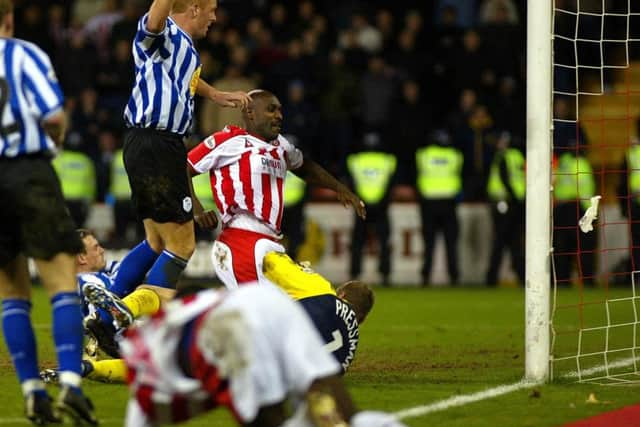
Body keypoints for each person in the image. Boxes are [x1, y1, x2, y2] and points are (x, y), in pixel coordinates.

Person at [0, 1, 98, 424]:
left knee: (11, 292)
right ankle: (72, 387)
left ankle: (31, 393)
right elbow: (54, 113)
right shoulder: (22, 53)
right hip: (29, 171)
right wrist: (53, 142)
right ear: (9, 18)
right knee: (60, 281)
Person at [119, 0, 251, 309]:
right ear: (193, 9)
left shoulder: (185, 50)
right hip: (158, 142)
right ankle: (124, 312)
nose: (215, 17)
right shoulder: (162, 33)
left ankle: (107, 303)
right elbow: (156, 16)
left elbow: (187, 77)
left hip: (150, 143)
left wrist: (215, 94)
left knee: (156, 242)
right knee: (183, 245)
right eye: (212, 9)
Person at [120, 285, 405, 427]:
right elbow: (322, 385)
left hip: (223, 324)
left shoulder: (146, 376)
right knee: (334, 412)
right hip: (253, 312)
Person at [188, 89, 365, 288]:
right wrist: (196, 209)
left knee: (285, 309)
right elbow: (182, 168)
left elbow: (304, 166)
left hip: (270, 241)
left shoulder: (281, 145)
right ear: (250, 113)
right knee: (262, 312)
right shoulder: (229, 140)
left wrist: (340, 188)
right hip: (241, 238)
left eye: (280, 111)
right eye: (271, 110)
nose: (279, 116)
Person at [346, 131, 397, 286]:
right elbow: (391, 184)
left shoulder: (355, 160)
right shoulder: (388, 160)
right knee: (384, 241)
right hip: (381, 206)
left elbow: (351, 183)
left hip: (362, 206)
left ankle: (354, 274)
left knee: (357, 242)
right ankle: (385, 276)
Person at [415, 129, 463, 286]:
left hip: (429, 203)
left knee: (429, 243)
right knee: (451, 242)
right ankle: (454, 277)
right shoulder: (455, 156)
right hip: (448, 202)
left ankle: (425, 276)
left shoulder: (423, 155)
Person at [485, 131, 525, 285]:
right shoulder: (518, 157)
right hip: (512, 203)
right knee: (514, 241)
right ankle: (520, 275)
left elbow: (504, 178)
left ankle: (492, 277)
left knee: (501, 241)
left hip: (504, 202)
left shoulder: (502, 156)